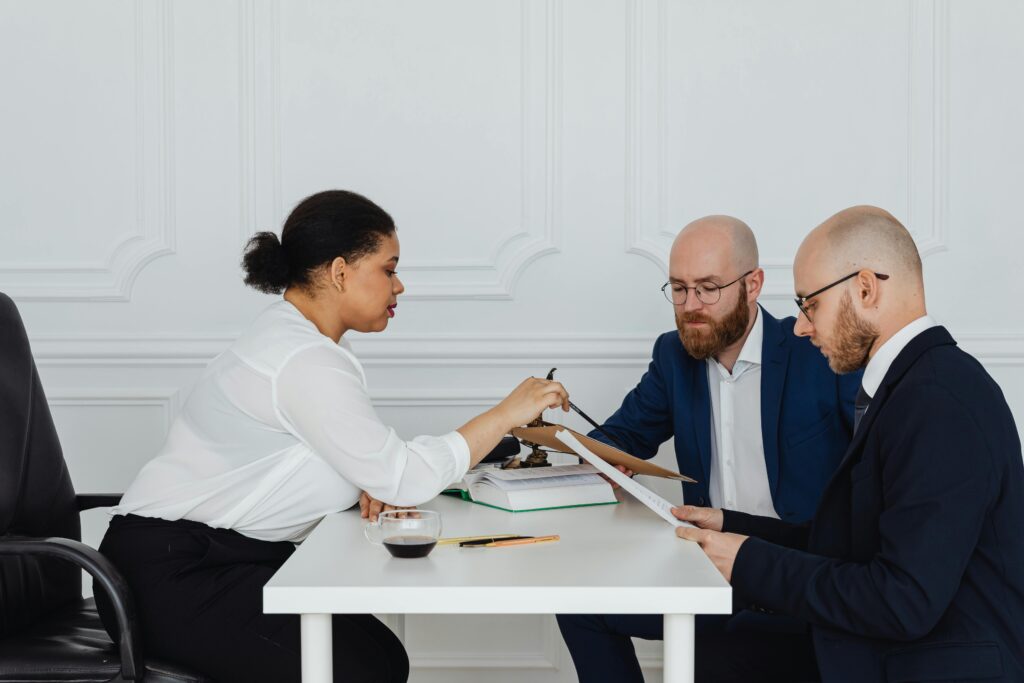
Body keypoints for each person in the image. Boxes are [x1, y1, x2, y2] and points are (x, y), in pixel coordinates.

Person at [94, 190, 569, 683]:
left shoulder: (294, 339)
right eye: (389, 269)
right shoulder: (304, 359)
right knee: (359, 669)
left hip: (218, 559)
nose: (400, 286)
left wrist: (369, 478)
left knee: (381, 657)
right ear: (340, 271)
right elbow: (402, 477)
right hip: (169, 578)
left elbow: (332, 457)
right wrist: (507, 414)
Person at [675, 206, 1024, 682]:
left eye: (809, 304)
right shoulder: (911, 386)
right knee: (715, 650)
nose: (799, 326)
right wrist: (729, 524)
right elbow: (850, 542)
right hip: (894, 650)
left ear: (865, 288)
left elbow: (903, 602)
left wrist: (747, 561)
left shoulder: (937, 399)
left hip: (931, 664)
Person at [557, 215, 860, 681]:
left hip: (800, 575)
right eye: (678, 288)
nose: (690, 305)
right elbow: (621, 436)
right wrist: (596, 456)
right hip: (709, 570)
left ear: (753, 284)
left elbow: (871, 480)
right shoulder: (674, 356)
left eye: (708, 288)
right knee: (579, 602)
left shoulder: (817, 349)